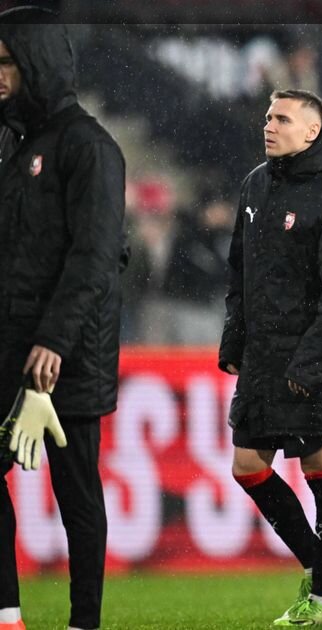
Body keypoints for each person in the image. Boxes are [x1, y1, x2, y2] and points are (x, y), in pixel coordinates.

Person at [219, 89, 322, 627]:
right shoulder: (255, 185)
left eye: (282, 118)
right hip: (263, 356)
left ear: (311, 131)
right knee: (247, 466)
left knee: (321, 468)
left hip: (314, 360)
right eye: (267, 116)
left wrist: (309, 365)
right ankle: (319, 563)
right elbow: (239, 271)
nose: (269, 125)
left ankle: (321, 601)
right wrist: (234, 340)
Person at [0, 22, 126, 630]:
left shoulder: (89, 147)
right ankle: (6, 613)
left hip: (69, 353)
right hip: (11, 343)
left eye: (7, 61)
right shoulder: (12, 143)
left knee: (75, 491)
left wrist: (55, 338)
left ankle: (84, 623)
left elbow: (95, 254)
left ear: (37, 62)